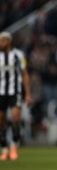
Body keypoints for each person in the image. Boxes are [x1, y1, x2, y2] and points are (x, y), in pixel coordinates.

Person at [0, 32, 31, 161]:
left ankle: (13, 146)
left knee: (15, 117)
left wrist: (28, 94)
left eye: (3, 40)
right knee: (0, 121)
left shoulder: (18, 55)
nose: (1, 42)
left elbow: (24, 74)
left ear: (9, 41)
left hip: (15, 91)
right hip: (0, 92)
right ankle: (4, 149)